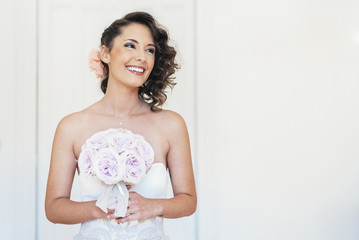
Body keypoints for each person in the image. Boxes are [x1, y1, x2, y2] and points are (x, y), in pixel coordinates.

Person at [45, 11, 197, 239]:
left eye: (149, 50)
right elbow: (54, 208)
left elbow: (188, 201)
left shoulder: (171, 125)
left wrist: (152, 206)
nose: (141, 57)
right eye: (130, 46)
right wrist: (99, 208)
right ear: (105, 53)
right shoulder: (71, 127)